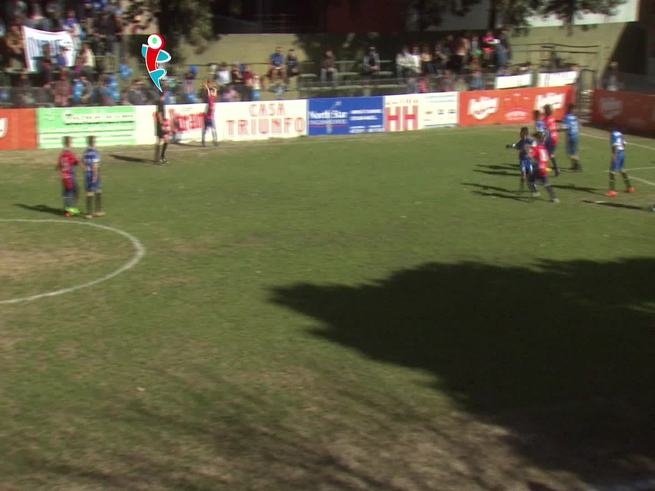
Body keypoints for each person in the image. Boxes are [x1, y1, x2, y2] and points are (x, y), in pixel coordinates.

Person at [530, 132, 559, 203]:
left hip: (538, 168)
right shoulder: (544, 148)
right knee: (546, 183)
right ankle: (554, 198)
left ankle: (536, 192)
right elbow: (546, 158)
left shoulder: (536, 148)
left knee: (530, 180)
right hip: (544, 168)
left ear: (538, 139)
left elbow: (531, 156)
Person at [607, 128, 635, 198]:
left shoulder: (613, 134)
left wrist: (614, 155)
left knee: (612, 172)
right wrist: (622, 151)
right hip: (622, 152)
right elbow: (624, 143)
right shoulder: (620, 134)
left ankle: (612, 191)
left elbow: (614, 145)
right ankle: (630, 188)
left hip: (617, 153)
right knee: (622, 169)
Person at [57, 136, 80, 216]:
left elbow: (58, 165)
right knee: (74, 191)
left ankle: (67, 209)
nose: (72, 143)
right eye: (71, 142)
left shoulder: (62, 154)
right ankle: (71, 210)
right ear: (69, 143)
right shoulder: (69, 154)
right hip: (70, 176)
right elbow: (76, 162)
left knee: (66, 193)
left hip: (64, 176)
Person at [506, 126, 534, 193]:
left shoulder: (530, 141)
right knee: (523, 176)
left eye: (520, 133)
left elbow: (535, 146)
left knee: (530, 175)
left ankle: (533, 189)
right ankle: (522, 189)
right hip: (522, 161)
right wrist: (510, 146)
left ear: (524, 133)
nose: (519, 134)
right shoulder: (521, 141)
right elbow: (516, 146)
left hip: (528, 161)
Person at [82, 135, 104, 218]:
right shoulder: (95, 153)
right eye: (95, 141)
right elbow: (95, 165)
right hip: (94, 174)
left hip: (87, 174)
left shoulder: (85, 152)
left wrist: (86, 171)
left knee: (88, 192)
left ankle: (88, 213)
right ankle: (98, 211)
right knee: (98, 190)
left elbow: (83, 163)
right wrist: (95, 175)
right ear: (94, 142)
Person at [561, 103, 581, 171]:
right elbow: (579, 126)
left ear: (569, 109)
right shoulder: (575, 117)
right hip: (575, 136)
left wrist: (557, 130)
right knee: (574, 152)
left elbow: (565, 128)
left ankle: (578, 165)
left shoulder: (566, 117)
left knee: (569, 154)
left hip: (570, 136)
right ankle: (574, 166)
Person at [543, 104, 560, 176]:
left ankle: (544, 170)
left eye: (544, 110)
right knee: (550, 154)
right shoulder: (552, 118)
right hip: (555, 138)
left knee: (544, 154)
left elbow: (545, 131)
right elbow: (555, 127)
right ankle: (556, 169)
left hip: (549, 139)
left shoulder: (545, 120)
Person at [154, 91, 169, 164]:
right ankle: (157, 159)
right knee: (160, 141)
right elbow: (159, 114)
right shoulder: (160, 102)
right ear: (163, 95)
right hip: (160, 125)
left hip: (162, 124)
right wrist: (162, 124)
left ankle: (162, 157)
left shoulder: (161, 102)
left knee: (166, 140)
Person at [202, 80, 217, 147]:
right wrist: (207, 86)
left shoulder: (213, 98)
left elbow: (215, 91)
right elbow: (208, 91)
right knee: (206, 129)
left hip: (211, 116)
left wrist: (214, 87)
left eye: (212, 92)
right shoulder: (210, 98)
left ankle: (215, 141)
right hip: (208, 117)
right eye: (211, 92)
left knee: (213, 129)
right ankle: (203, 141)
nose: (212, 92)